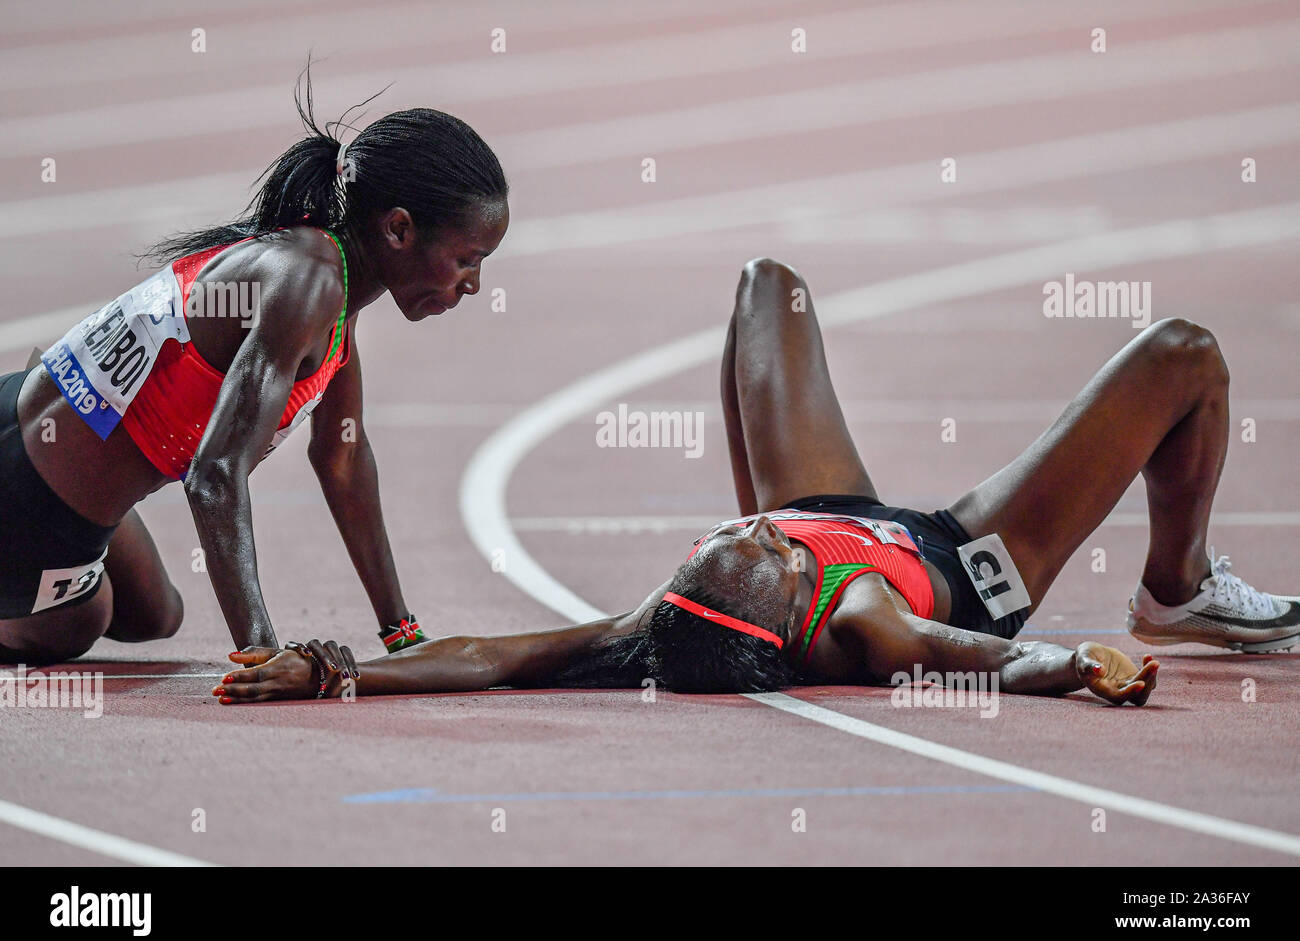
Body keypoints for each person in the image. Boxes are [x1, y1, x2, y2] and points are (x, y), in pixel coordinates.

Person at [214, 257, 1299, 705]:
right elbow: (982, 654)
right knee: (1183, 355)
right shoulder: (871, 620)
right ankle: (1176, 583)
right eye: (762, 550)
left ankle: (806, 510)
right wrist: (1078, 665)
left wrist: (335, 670)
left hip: (837, 513)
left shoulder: (670, 613)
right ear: (787, 612)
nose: (745, 528)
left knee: (764, 286)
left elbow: (493, 657)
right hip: (962, 562)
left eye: (726, 536)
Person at [0, 70, 509, 665]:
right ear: (398, 229)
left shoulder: (331, 286)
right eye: (468, 260)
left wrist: (399, 631)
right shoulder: (307, 282)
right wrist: (262, 654)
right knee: (81, 627)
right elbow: (214, 475)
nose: (474, 285)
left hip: (34, 426)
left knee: (157, 616)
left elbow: (343, 457)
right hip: (26, 495)